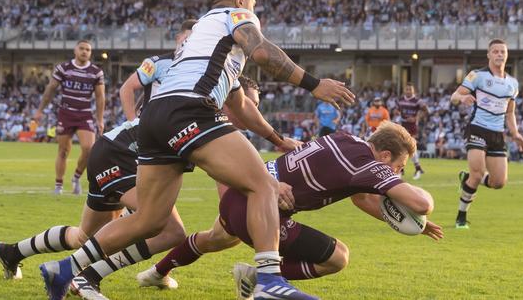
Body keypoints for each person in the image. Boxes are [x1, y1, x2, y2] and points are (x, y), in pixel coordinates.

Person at [39, 0, 354, 300]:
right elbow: (262, 52)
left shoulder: (204, 38)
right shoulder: (236, 15)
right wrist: (315, 84)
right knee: (261, 183)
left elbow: (240, 104)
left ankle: (64, 268)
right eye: (254, 3)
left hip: (155, 118)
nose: (254, 9)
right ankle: (269, 282)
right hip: (190, 110)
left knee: (150, 218)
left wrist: (277, 139)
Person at [0, 77, 298, 300]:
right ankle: (83, 276)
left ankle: (11, 252)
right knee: (165, 229)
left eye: (256, 108)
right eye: (249, 106)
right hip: (122, 154)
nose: (251, 114)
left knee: (85, 236)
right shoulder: (209, 119)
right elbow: (231, 207)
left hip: (115, 150)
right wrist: (267, 214)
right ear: (231, 101)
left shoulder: (205, 113)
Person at [137, 121, 443, 300]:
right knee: (338, 257)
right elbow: (422, 203)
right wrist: (420, 210)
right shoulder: (366, 164)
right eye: (399, 168)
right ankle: (260, 280)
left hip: (239, 195)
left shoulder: (345, 138)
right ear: (385, 154)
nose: (398, 174)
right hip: (262, 208)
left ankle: (157, 273)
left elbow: (361, 199)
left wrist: (412, 223)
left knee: (213, 239)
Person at [450, 39, 523, 229]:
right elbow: (454, 97)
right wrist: (462, 97)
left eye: (502, 52)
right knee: (476, 175)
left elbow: (510, 112)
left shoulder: (512, 84)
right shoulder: (477, 76)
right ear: (489, 55)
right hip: (477, 128)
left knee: (498, 182)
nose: (499, 55)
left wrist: (516, 133)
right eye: (495, 51)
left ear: (506, 55)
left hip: (497, 134)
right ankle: (461, 217)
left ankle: (465, 178)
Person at [33, 40, 105, 195]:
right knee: (63, 151)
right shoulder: (63, 68)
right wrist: (40, 110)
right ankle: (58, 186)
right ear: (75, 50)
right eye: (82, 48)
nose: (85, 51)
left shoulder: (96, 72)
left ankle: (76, 177)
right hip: (65, 113)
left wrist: (100, 119)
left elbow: (100, 97)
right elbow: (50, 89)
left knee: (89, 148)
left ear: (90, 53)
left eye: (88, 49)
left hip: (84, 113)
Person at [119, 20, 197, 121]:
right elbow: (126, 88)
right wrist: (132, 123)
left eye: (195, 40)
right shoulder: (157, 63)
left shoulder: (198, 68)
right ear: (178, 38)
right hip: (151, 128)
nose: (189, 43)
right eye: (187, 38)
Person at [397, 83, 428, 180]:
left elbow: (426, 110)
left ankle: (403, 170)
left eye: (410, 89)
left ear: (413, 91)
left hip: (412, 126)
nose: (408, 91)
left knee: (410, 147)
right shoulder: (400, 100)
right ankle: (415, 168)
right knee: (402, 148)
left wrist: (416, 117)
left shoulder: (417, 101)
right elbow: (397, 110)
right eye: (407, 89)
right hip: (403, 125)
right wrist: (398, 113)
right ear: (404, 90)